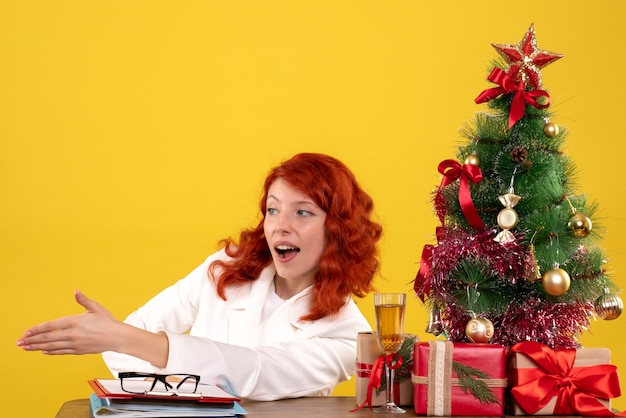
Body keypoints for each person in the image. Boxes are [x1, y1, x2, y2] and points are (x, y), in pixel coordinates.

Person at [17, 152, 382, 401]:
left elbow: (257, 373)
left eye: (303, 213)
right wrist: (126, 341)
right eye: (273, 210)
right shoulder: (226, 269)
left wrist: (124, 338)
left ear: (337, 229)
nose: (280, 227)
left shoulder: (350, 335)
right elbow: (124, 350)